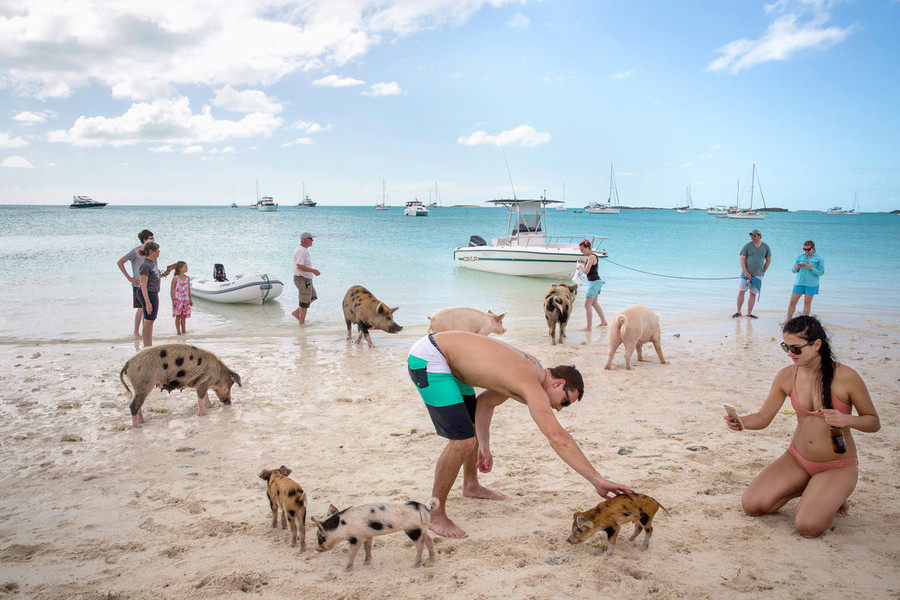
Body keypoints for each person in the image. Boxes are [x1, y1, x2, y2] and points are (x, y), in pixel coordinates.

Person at [407, 331, 633, 538]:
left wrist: (484, 445)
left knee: (470, 433)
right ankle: (435, 514)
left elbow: (485, 403)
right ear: (559, 383)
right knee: (462, 441)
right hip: (431, 358)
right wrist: (597, 480)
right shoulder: (530, 382)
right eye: (565, 401)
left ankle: (471, 485)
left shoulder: (530, 372)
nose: (559, 408)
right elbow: (558, 438)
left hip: (451, 364)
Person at [724, 316, 879, 537]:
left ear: (817, 345)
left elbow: (873, 422)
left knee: (807, 526)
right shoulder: (787, 376)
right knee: (752, 505)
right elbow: (763, 417)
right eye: (786, 347)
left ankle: (831, 494)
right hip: (797, 458)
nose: (789, 354)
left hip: (837, 464)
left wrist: (847, 420)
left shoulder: (846, 377)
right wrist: (741, 422)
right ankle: (815, 488)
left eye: (796, 349)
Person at [116, 229, 154, 339]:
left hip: (150, 284)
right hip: (138, 284)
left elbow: (154, 266)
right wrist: (129, 278)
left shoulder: (152, 251)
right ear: (144, 240)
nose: (153, 240)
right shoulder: (135, 251)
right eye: (150, 238)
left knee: (148, 308)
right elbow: (120, 262)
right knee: (141, 308)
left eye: (153, 238)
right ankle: (136, 332)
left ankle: (145, 331)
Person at [782, 241, 824, 325]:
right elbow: (793, 270)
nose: (806, 251)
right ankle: (788, 320)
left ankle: (804, 323)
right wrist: (797, 267)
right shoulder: (800, 257)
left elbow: (821, 272)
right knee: (792, 302)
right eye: (804, 249)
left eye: (808, 249)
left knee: (807, 303)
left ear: (813, 248)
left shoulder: (819, 258)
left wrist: (811, 268)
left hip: (811, 284)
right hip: (799, 282)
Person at [734, 228, 771, 319]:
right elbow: (742, 259)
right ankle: (738, 312)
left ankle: (749, 313)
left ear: (759, 236)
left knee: (753, 294)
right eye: (751, 235)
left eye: (754, 235)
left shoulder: (766, 247)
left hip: (758, 274)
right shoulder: (747, 246)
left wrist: (763, 272)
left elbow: (768, 260)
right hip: (746, 273)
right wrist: (745, 272)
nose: (752, 237)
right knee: (742, 291)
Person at [577, 239, 608, 330]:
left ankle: (588, 327)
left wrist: (580, 268)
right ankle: (604, 322)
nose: (581, 252)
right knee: (594, 303)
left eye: (582, 250)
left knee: (587, 304)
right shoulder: (592, 257)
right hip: (597, 282)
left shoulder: (591, 257)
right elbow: (594, 268)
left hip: (594, 283)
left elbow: (586, 271)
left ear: (587, 248)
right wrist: (584, 262)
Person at [291, 232, 320, 326]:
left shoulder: (304, 250)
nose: (312, 241)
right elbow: (299, 266)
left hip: (306, 279)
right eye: (311, 239)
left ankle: (296, 313)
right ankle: (302, 323)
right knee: (304, 301)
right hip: (302, 278)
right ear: (306, 240)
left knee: (313, 297)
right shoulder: (301, 250)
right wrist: (313, 270)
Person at [137, 241, 162, 347]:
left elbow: (154, 278)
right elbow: (143, 284)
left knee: (151, 319)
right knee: (148, 320)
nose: (159, 252)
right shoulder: (145, 265)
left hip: (153, 292)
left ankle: (148, 344)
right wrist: (147, 302)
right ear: (151, 251)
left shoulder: (152, 263)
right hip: (148, 293)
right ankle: (147, 345)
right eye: (157, 250)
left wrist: (165, 274)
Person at [170, 261, 192, 335]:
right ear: (180, 268)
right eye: (185, 267)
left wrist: (190, 299)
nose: (187, 268)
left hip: (185, 299)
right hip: (178, 299)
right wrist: (173, 301)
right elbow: (172, 290)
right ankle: (178, 332)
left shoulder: (187, 278)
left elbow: (188, 289)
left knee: (184, 316)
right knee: (178, 316)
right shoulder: (175, 278)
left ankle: (184, 331)